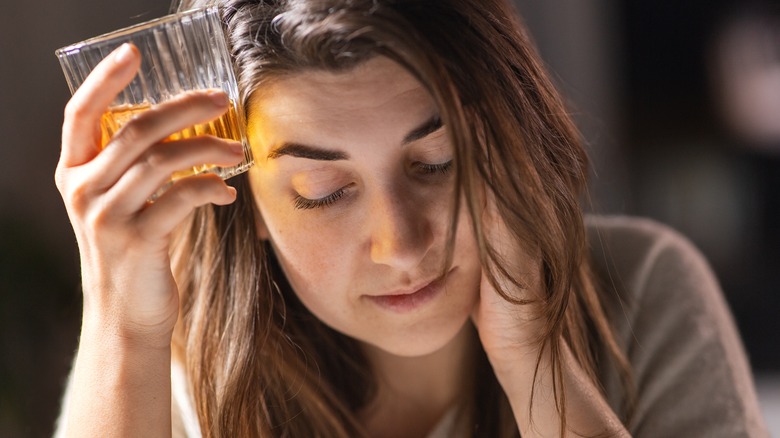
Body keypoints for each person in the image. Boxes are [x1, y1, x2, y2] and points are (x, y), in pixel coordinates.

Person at [53, 0, 769, 436]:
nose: (402, 244)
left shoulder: (644, 289)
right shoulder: (180, 364)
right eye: (324, 189)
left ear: (505, 143)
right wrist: (121, 324)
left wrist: (535, 362)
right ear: (253, 207)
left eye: (436, 164)